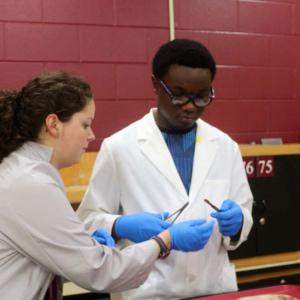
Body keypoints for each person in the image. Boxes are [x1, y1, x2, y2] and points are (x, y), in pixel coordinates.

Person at [0, 70, 216, 300]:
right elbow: (100, 271)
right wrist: (165, 241)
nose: (91, 135)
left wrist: (87, 242)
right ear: (53, 124)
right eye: (85, 124)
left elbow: (47, 251)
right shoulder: (30, 183)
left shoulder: (25, 171)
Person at [77, 38, 254, 300]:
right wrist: (121, 225)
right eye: (179, 94)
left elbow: (244, 209)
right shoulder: (120, 147)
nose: (191, 105)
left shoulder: (225, 146)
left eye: (202, 96)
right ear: (155, 85)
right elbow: (88, 220)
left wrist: (238, 221)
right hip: (149, 291)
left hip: (214, 289)